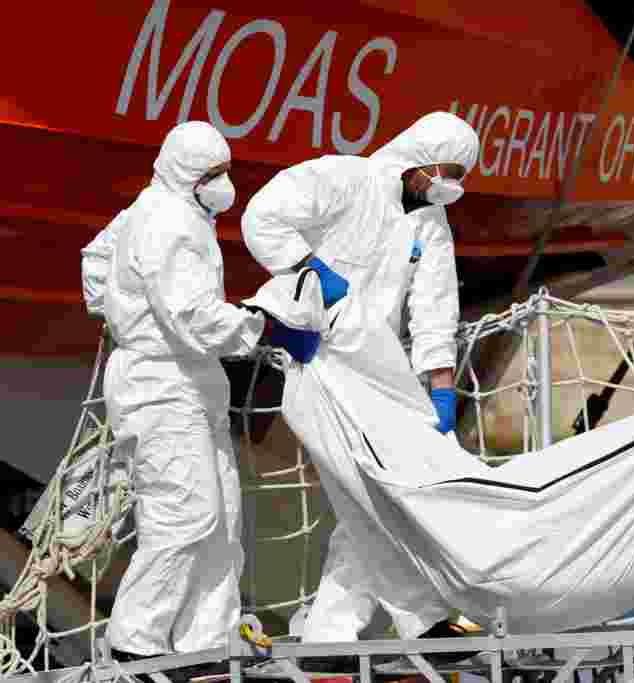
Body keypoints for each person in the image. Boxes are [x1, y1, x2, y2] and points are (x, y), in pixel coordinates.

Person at [80, 121, 319, 680]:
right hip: (161, 384)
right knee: (184, 515)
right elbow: (193, 318)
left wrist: (117, 303)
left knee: (222, 519)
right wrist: (264, 330)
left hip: (186, 379)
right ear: (189, 175)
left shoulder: (154, 208)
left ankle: (206, 639)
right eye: (214, 174)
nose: (225, 184)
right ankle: (135, 644)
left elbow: (97, 259)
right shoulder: (168, 224)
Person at [241, 111, 479, 663]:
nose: (451, 185)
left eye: (459, 175)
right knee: (368, 492)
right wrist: (309, 270)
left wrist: (440, 386)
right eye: (445, 170)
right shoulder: (343, 180)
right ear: (417, 159)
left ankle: (331, 630)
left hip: (380, 372)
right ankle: (421, 622)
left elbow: (435, 306)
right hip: (317, 363)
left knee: (374, 493)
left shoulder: (430, 221)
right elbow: (264, 217)